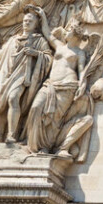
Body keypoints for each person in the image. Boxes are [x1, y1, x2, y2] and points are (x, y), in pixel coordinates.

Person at [0, 6, 53, 143]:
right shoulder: (13, 39)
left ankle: (11, 134)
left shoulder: (39, 40)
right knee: (1, 103)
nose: (26, 23)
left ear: (36, 24)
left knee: (13, 98)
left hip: (23, 76)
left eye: (30, 21)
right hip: (5, 74)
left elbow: (49, 58)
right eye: (25, 20)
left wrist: (36, 54)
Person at [26, 12, 89, 155]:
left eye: (68, 30)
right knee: (36, 107)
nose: (64, 32)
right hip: (50, 85)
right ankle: (34, 144)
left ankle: (46, 147)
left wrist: (82, 85)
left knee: (55, 118)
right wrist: (42, 15)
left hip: (67, 86)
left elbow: (82, 71)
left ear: (75, 35)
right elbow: (48, 34)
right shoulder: (59, 46)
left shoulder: (79, 53)